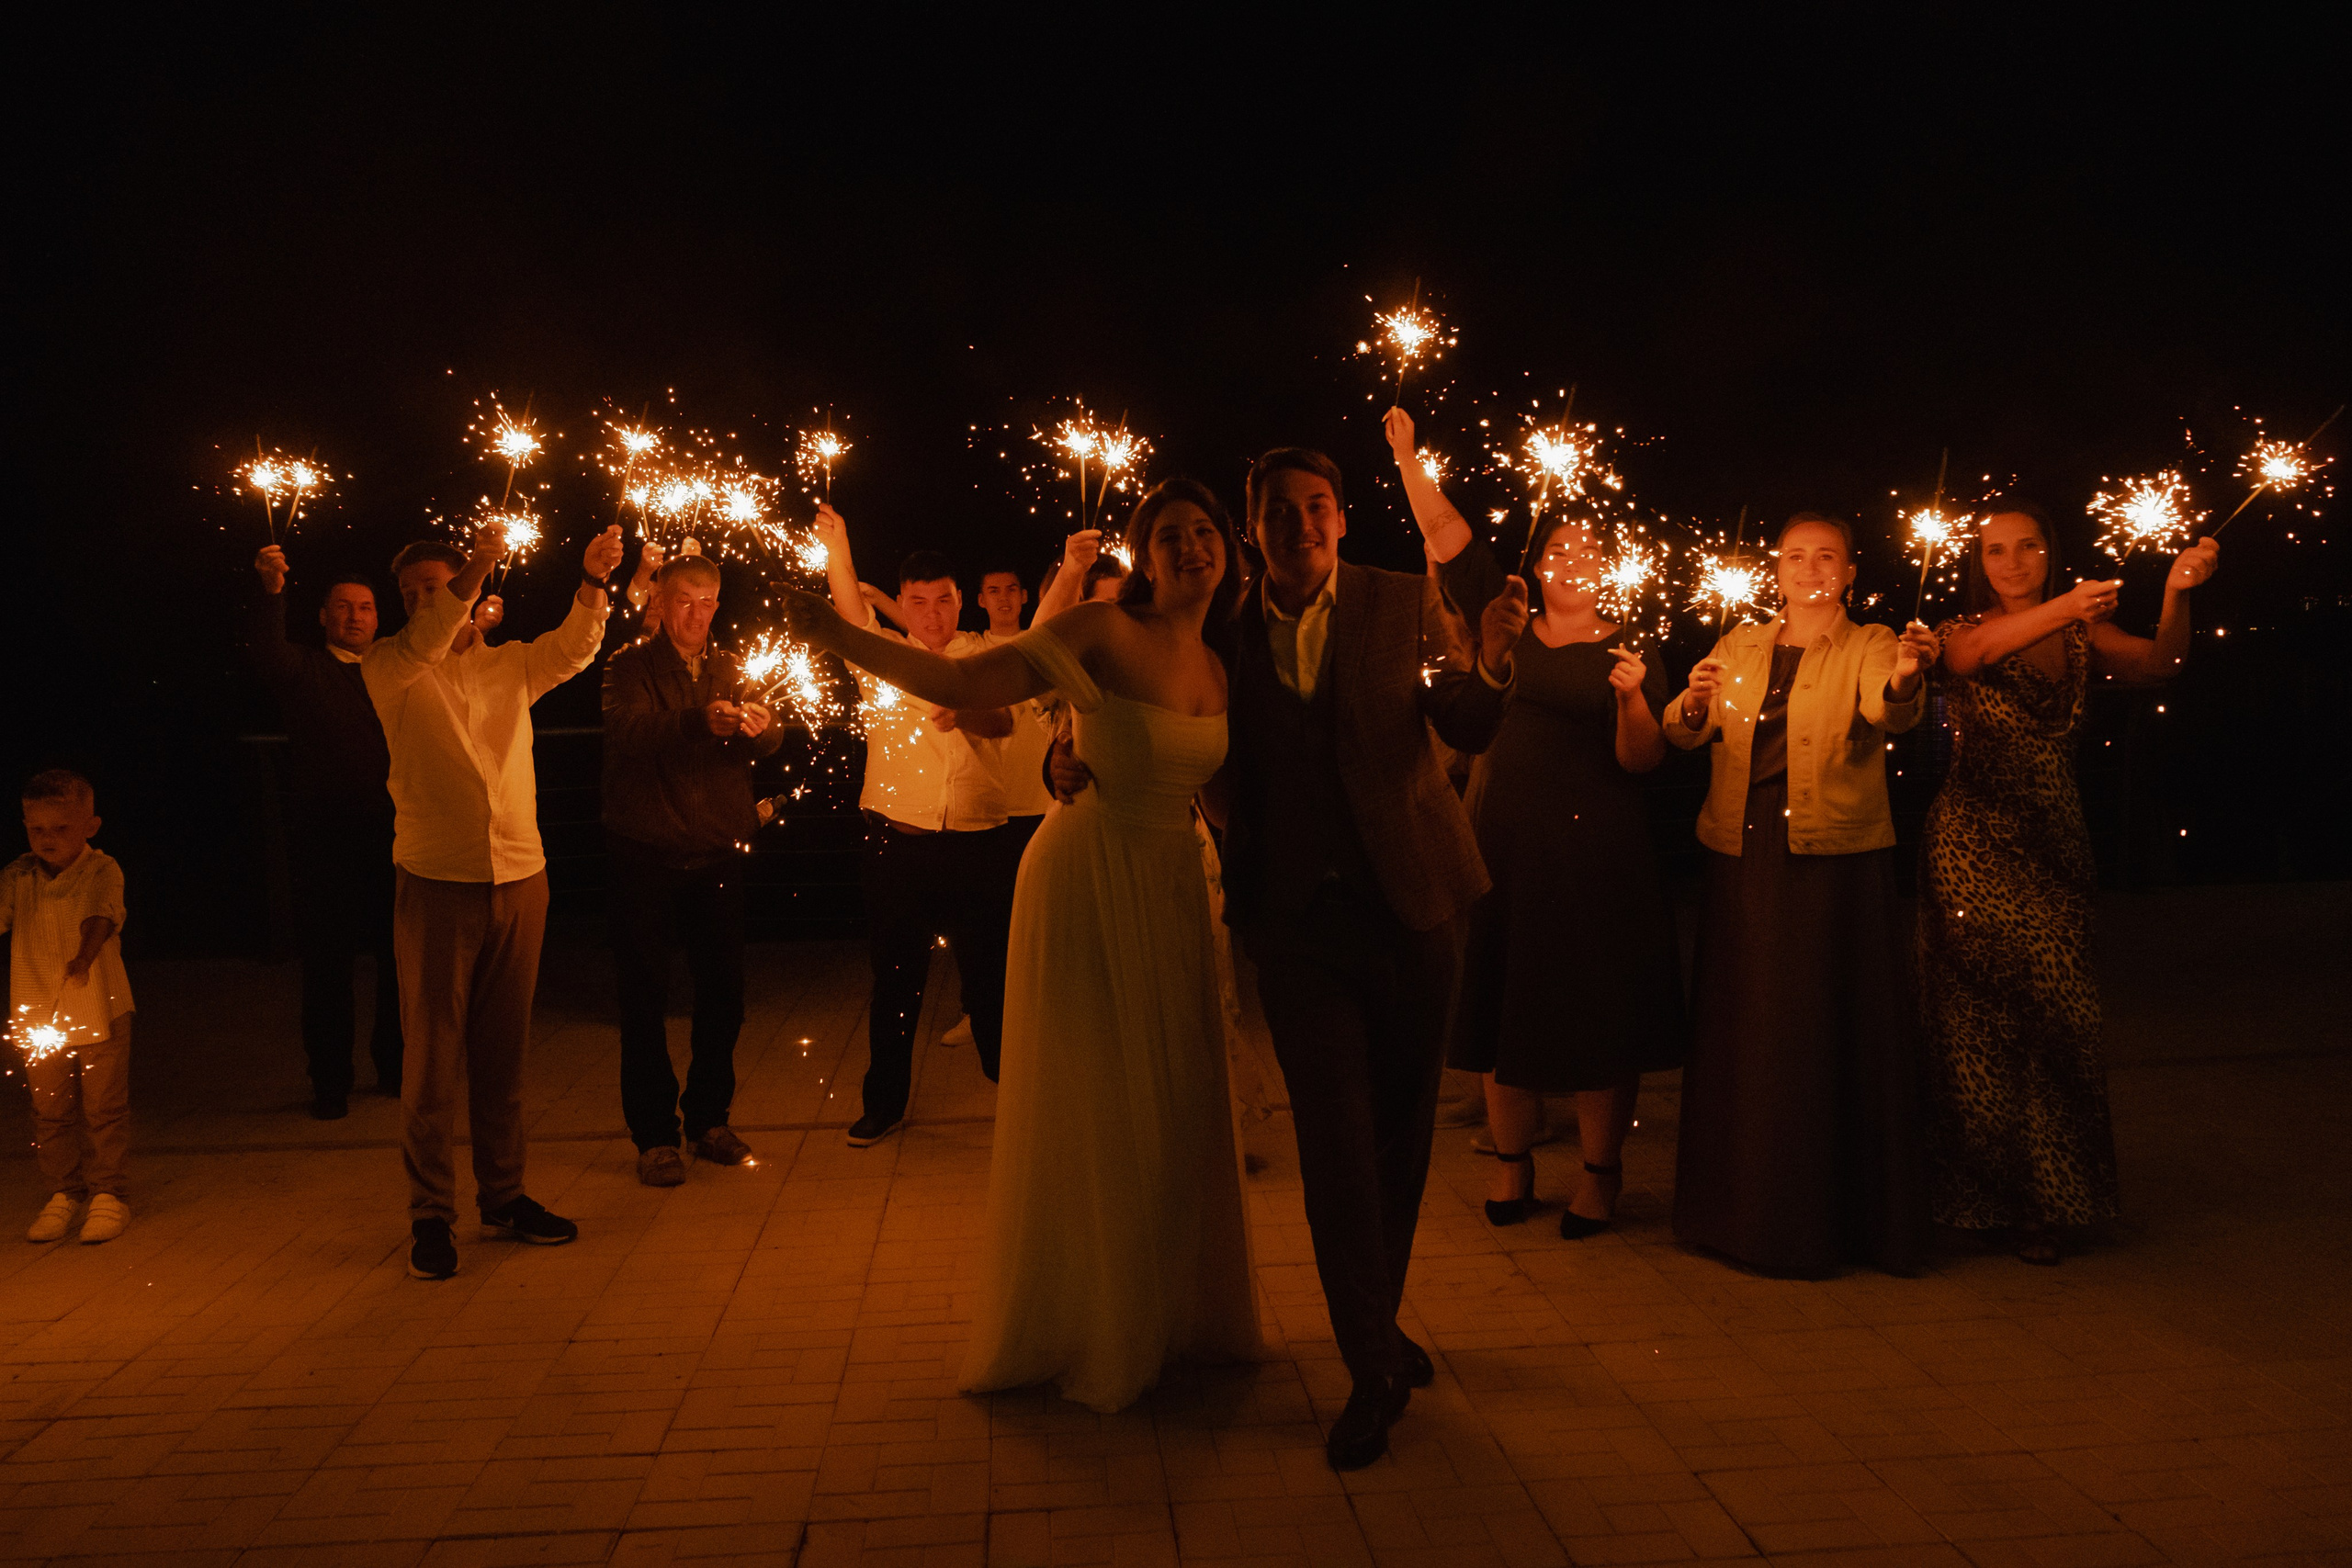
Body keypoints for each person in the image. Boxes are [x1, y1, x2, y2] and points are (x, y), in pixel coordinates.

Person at [1060, 448, 1519, 1467]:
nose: (1298, 527)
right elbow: (1149, 708)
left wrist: (1488, 660)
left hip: (1418, 903)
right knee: (1335, 1144)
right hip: (1297, 927)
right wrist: (1076, 748)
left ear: (1341, 520)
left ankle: (1377, 1323)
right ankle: (1369, 1366)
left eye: (1317, 508)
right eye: (1276, 512)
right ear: (1252, 529)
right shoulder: (1215, 625)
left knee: (1400, 1139)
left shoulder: (1404, 603)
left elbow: (1465, 720)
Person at [782, 479, 1258, 1414]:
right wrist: (839, 636)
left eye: (1206, 531)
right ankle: (1095, 1322)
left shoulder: (1218, 661)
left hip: (1172, 887)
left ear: (1227, 553)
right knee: (1100, 1103)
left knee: (1179, 1101)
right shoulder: (1099, 633)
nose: (1192, 546)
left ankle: (1175, 1313)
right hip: (1089, 875)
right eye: (1169, 534)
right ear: (1142, 551)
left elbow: (1219, 798)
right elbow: (967, 682)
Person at [1385, 408, 1684, 1239]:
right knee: (1500, 1003)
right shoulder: (1503, 612)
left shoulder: (1635, 644)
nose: (1575, 561)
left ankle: (1599, 1175)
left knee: (1597, 1011)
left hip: (1599, 856)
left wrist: (1629, 699)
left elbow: (1644, 761)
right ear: (1539, 564)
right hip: (1504, 845)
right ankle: (1513, 1166)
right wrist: (1409, 461)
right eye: (1561, 549)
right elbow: (1448, 534)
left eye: (1592, 552)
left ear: (1614, 568)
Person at [1922, 509, 2219, 1264]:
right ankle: (1977, 1198)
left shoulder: (2084, 631)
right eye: (1996, 550)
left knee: (2060, 1015)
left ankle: (2050, 1198)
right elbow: (1972, 657)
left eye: (2029, 545)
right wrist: (2067, 604)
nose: (2013, 560)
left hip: (2054, 839)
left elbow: (2162, 665)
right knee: (1976, 1021)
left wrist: (2177, 593)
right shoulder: (1960, 627)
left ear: (2051, 551)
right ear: (1980, 562)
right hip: (1971, 842)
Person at [1664, 513, 1939, 1277]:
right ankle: (1739, 1216)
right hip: (1742, 851)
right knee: (1748, 1031)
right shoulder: (1740, 643)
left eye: (1827, 556)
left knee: (1819, 1030)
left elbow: (1889, 709)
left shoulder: (1871, 641)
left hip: (1832, 862)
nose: (1810, 567)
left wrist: (1909, 678)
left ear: (1850, 572)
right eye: (1795, 556)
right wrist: (1690, 700)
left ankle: (1832, 1223)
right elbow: (1686, 730)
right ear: (1775, 569)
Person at [365, 519, 623, 1280]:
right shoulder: (392, 669)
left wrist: (594, 581)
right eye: (412, 594)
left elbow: (574, 648)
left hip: (521, 874)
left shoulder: (509, 665)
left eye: (434, 589)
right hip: (438, 881)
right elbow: (422, 642)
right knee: (433, 1059)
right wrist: (472, 569)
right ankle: (430, 1216)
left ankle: (504, 1197)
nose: (424, 603)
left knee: (504, 1056)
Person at [812, 508, 1018, 1145]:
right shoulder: (884, 659)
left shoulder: (985, 655)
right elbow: (848, 612)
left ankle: (1017, 1098)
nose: (933, 614)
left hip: (980, 843)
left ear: (961, 603)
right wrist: (839, 546)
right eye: (920, 602)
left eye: (945, 601)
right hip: (896, 843)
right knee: (896, 980)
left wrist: (965, 711)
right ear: (902, 603)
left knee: (991, 982)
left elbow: (1006, 723)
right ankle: (885, 1102)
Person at [601, 554, 782, 1187]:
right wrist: (694, 721)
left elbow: (772, 735)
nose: (697, 614)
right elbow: (628, 729)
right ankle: (653, 1134)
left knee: (724, 994)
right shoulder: (628, 666)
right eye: (685, 600)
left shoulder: (732, 666)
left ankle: (709, 1118)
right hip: (643, 852)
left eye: (708, 602)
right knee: (645, 996)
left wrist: (762, 730)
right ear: (661, 599)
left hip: (718, 850)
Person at [244, 547, 405, 1118]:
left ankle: (397, 1068)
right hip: (323, 840)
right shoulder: (305, 668)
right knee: (327, 965)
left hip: (395, 838)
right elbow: (266, 652)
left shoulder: (397, 670)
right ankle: (330, 1082)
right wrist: (271, 593)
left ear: (379, 618)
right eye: (342, 607)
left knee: (400, 960)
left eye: (364, 607)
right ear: (322, 616)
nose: (355, 617)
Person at [7, 771, 136, 1245]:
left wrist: (83, 958)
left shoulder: (103, 869)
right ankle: (64, 1193)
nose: (48, 839)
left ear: (90, 825)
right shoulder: (18, 877)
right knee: (51, 1112)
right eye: (37, 829)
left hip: (103, 1008)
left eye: (61, 828)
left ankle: (110, 1194)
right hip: (36, 1013)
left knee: (103, 1108)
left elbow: (101, 915)